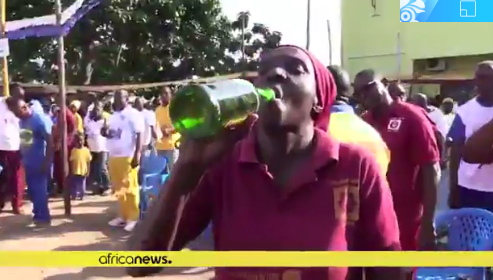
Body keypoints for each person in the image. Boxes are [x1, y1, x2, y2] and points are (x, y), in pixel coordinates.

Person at [127, 46, 403, 280]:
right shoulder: (224, 164)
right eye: (264, 71)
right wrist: (186, 171)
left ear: (319, 99)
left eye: (295, 68)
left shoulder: (354, 166)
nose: (275, 74)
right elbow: (138, 264)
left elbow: (386, 268)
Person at [353, 70, 440, 255]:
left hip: (407, 219)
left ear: (384, 83)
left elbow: (431, 168)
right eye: (358, 92)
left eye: (368, 88)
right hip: (373, 216)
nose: (364, 96)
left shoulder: (412, 117)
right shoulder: (363, 123)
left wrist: (428, 222)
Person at [327, 65, 390, 175]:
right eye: (358, 92)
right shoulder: (374, 136)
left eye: (366, 89)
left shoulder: (313, 134)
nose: (363, 96)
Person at [448, 61, 493, 211]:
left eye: (486, 77)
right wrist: (453, 188)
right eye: (479, 77)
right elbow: (456, 152)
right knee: (468, 233)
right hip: (469, 187)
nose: (481, 82)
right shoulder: (465, 111)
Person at [102, 90, 144, 232]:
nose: (117, 100)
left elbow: (140, 134)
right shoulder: (114, 116)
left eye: (119, 98)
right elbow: (112, 134)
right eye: (115, 97)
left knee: (130, 187)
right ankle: (124, 216)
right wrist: (105, 132)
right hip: (114, 155)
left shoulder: (133, 114)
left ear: (127, 99)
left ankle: (134, 217)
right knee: (119, 187)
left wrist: (137, 154)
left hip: (128, 155)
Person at [8, 96, 54, 225]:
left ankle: (43, 218)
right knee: (33, 192)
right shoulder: (22, 121)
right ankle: (38, 215)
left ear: (24, 108)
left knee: (39, 191)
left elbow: (50, 142)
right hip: (28, 162)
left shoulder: (39, 120)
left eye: (17, 113)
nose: (16, 116)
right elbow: (26, 141)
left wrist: (46, 162)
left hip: (40, 162)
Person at [0, 83, 24, 214]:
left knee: (15, 177)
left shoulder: (20, 106)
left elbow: (25, 128)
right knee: (6, 176)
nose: (20, 98)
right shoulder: (3, 103)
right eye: (18, 95)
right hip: (5, 146)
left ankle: (16, 204)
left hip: (14, 146)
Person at [84, 101, 110, 195]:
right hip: (92, 147)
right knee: (95, 168)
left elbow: (107, 133)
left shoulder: (105, 120)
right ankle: (98, 187)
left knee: (102, 167)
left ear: (102, 110)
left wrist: (106, 127)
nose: (96, 111)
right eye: (95, 109)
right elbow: (86, 128)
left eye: (98, 109)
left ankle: (107, 186)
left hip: (103, 147)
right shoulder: (89, 119)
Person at [52, 106, 77, 195]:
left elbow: (69, 130)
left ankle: (65, 187)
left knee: (64, 167)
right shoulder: (62, 114)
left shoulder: (66, 114)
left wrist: (60, 141)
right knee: (60, 166)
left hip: (66, 145)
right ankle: (61, 187)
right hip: (62, 144)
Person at [155, 87, 180, 171]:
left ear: (171, 95)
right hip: (160, 146)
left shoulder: (175, 109)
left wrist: (169, 130)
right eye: (162, 94)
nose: (163, 95)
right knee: (161, 173)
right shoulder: (157, 110)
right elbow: (156, 125)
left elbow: (180, 125)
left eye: (166, 93)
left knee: (173, 172)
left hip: (172, 146)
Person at [69, 132, 91, 200]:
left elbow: (88, 161)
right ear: (75, 142)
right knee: (74, 185)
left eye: (81, 140)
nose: (80, 142)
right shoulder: (73, 150)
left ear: (84, 140)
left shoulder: (86, 150)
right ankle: (74, 195)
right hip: (75, 170)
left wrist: (88, 171)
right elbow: (71, 161)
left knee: (82, 185)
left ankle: (82, 195)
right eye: (78, 140)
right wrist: (71, 170)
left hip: (83, 171)